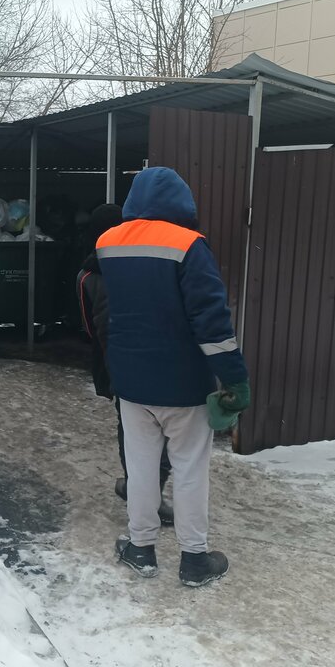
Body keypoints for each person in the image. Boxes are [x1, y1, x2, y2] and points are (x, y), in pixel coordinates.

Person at [96, 167, 250, 587]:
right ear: (182, 201)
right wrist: (234, 378)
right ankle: (194, 559)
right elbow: (212, 322)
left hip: (131, 382)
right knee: (190, 470)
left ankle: (140, 548)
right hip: (184, 384)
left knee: (141, 468)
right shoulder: (189, 244)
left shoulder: (107, 243)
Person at [77, 203, 173, 526]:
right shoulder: (140, 264)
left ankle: (136, 486)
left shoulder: (86, 275)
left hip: (114, 363)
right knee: (162, 428)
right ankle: (148, 496)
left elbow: (88, 327)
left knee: (130, 428)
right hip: (151, 357)